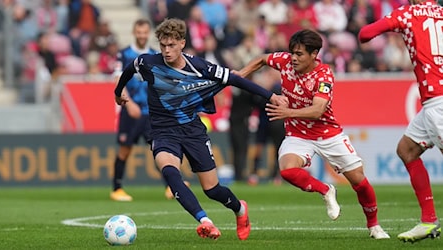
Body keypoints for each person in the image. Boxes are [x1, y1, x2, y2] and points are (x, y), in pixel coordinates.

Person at [114, 18, 288, 240]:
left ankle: (240, 209)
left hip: (192, 130)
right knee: (169, 172)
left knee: (212, 189)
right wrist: (118, 92)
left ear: (182, 43)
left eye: (172, 45)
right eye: (163, 45)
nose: (167, 51)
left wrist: (272, 96)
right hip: (162, 130)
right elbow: (129, 69)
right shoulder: (148, 62)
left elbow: (236, 80)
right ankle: (205, 221)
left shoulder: (200, 68)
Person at [233, 29, 390, 239]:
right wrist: (242, 74)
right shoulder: (285, 62)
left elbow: (318, 110)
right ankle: (326, 190)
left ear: (314, 54)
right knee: (287, 170)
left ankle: (374, 226)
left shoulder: (324, 75)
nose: (294, 58)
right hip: (298, 135)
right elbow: (262, 59)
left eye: (299, 54)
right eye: (292, 53)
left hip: (328, 134)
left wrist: (287, 112)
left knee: (359, 181)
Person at [358, 0, 443, 242]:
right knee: (406, 150)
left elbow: (365, 34)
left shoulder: (408, 13)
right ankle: (429, 221)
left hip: (438, 101)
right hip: (432, 103)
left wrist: (395, 26)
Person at [110, 19, 159, 202]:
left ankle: (171, 187)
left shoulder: (155, 55)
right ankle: (117, 188)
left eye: (145, 32)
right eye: (139, 32)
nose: (142, 35)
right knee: (125, 149)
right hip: (130, 109)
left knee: (159, 148)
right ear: (134, 32)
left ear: (149, 33)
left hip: (151, 112)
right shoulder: (124, 54)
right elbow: (117, 80)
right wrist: (129, 104)